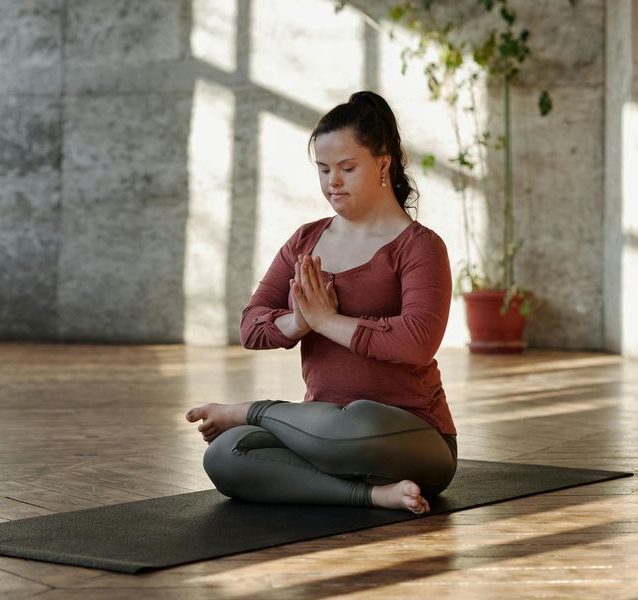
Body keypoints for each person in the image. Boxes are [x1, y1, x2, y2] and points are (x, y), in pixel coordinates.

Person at [185, 91, 457, 514]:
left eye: (347, 168)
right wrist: (298, 322)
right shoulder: (305, 240)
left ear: (383, 164)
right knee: (225, 454)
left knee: (355, 421)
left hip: (407, 437)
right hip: (318, 429)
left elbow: (415, 342)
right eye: (324, 169)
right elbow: (251, 327)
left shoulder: (420, 246)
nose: (333, 182)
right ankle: (372, 495)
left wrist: (326, 320)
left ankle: (252, 411)